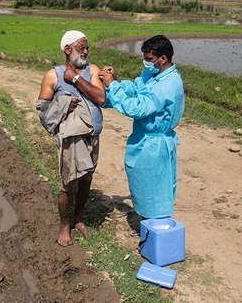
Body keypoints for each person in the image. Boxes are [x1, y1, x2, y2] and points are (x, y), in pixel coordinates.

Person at [98, 35, 185, 221]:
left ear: (162, 59)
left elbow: (137, 107)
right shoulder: (156, 76)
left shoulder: (167, 86)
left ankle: (154, 231)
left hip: (153, 145)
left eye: (149, 59)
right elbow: (138, 89)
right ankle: (148, 226)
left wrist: (112, 85)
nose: (145, 62)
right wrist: (117, 81)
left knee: (154, 190)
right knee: (145, 186)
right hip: (146, 140)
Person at [38, 30, 105, 246]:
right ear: (68, 50)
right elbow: (42, 109)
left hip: (92, 136)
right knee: (69, 184)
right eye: (81, 48)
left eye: (87, 48)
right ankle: (64, 226)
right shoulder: (53, 75)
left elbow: (100, 98)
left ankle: (78, 219)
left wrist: (75, 79)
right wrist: (64, 105)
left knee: (86, 180)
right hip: (71, 140)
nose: (85, 51)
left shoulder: (91, 70)